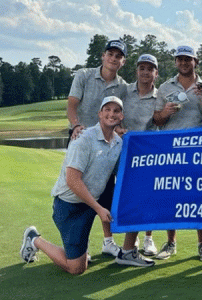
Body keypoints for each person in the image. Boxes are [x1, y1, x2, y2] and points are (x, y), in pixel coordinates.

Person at [20, 97, 154, 274]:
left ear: (121, 116)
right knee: (76, 268)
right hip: (70, 206)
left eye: (116, 111)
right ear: (99, 114)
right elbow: (73, 181)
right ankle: (33, 238)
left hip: (93, 200)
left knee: (138, 198)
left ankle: (128, 252)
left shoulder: (118, 142)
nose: (111, 114)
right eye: (107, 109)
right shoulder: (83, 139)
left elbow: (122, 173)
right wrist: (99, 208)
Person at [153, 45, 202, 262]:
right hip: (172, 152)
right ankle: (171, 242)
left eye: (188, 59)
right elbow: (157, 120)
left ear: (195, 62)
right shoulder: (164, 87)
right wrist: (165, 113)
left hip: (199, 150)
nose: (183, 63)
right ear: (175, 62)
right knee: (171, 196)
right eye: (180, 59)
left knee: (199, 196)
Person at [67, 39, 128, 257]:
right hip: (81, 136)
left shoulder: (123, 86)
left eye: (118, 56)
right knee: (78, 188)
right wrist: (75, 125)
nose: (113, 58)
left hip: (107, 139)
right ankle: (77, 241)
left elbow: (120, 112)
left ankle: (108, 241)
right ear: (103, 56)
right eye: (110, 54)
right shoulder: (83, 75)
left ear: (123, 61)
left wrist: (119, 128)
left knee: (105, 189)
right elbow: (72, 104)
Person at [114, 54, 159, 266]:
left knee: (145, 198)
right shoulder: (124, 91)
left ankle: (134, 245)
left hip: (148, 157)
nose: (145, 72)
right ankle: (126, 249)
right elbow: (111, 114)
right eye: (142, 68)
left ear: (155, 74)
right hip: (122, 153)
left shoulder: (160, 97)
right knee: (128, 199)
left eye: (150, 69)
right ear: (136, 71)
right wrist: (115, 128)